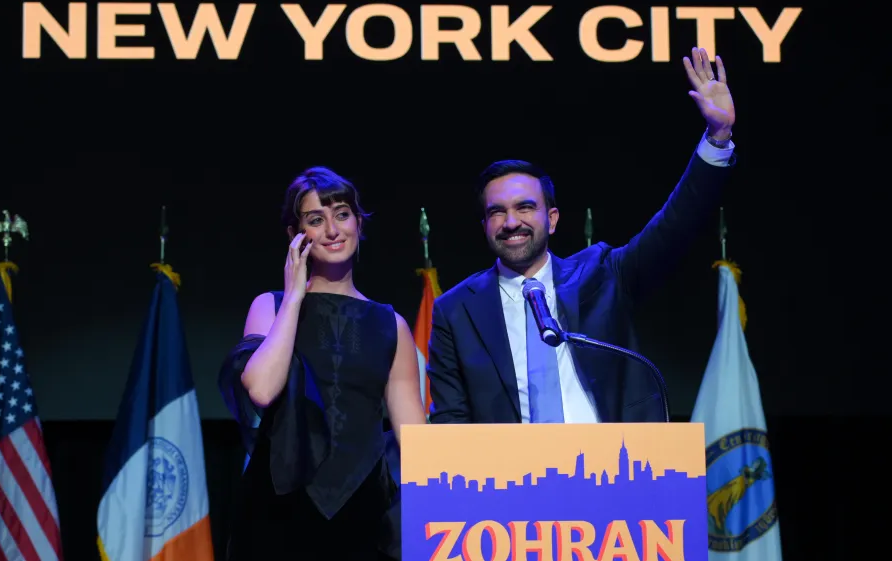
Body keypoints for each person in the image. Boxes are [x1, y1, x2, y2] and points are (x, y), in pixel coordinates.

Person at [427, 48, 737, 426]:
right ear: (485, 226)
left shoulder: (602, 274)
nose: (511, 222)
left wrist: (717, 138)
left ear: (552, 218)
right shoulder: (455, 310)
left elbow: (674, 227)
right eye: (497, 212)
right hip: (510, 479)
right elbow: (450, 421)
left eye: (525, 207)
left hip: (612, 470)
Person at [218, 166, 426, 561]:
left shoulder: (390, 324)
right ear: (296, 234)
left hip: (362, 509)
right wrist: (295, 296)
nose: (332, 229)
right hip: (278, 509)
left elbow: (414, 436)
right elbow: (262, 389)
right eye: (316, 219)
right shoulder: (271, 306)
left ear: (359, 223)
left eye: (342, 214)